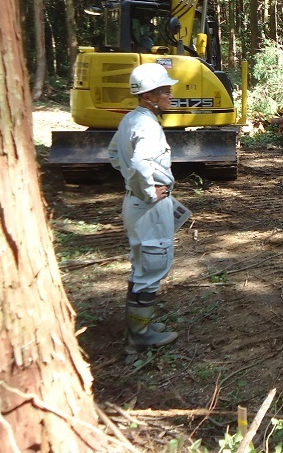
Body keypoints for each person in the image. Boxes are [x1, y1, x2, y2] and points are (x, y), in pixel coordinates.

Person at [109, 62, 189, 350]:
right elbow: (139, 162)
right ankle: (140, 338)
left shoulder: (131, 120)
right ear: (148, 96)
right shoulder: (147, 125)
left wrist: (133, 186)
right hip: (148, 208)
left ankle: (140, 325)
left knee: (142, 265)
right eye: (165, 91)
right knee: (152, 267)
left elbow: (113, 155)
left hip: (136, 203)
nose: (170, 95)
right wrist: (148, 192)